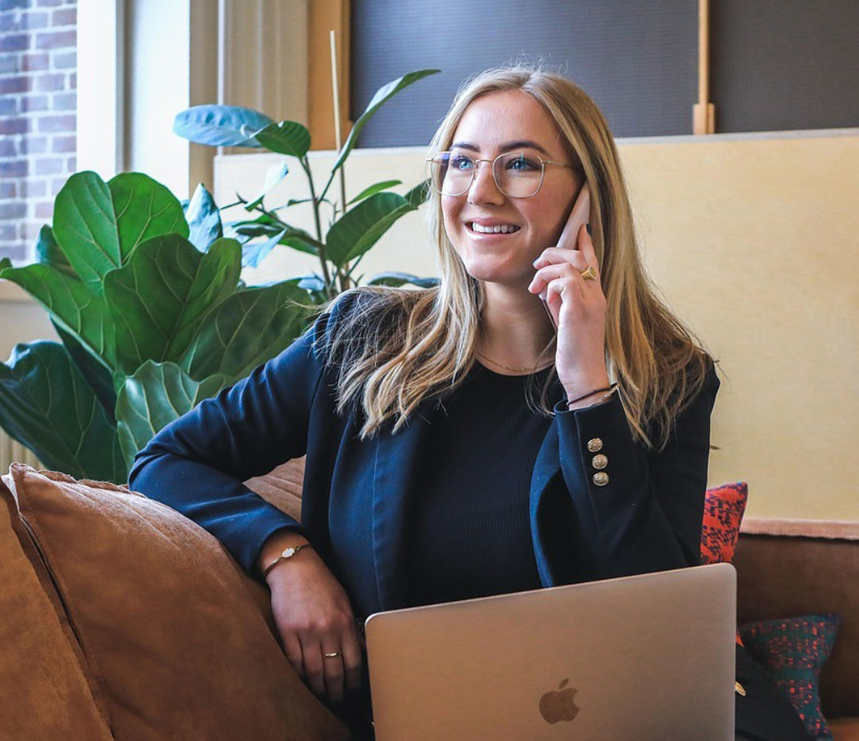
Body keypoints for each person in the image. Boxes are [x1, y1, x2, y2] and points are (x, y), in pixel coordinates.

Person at [129, 66, 810, 741]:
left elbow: (659, 614)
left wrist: (588, 391)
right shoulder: (361, 340)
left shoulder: (667, 378)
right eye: (460, 161)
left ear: (587, 197)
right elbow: (166, 458)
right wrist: (284, 554)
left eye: (519, 164)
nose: (481, 191)